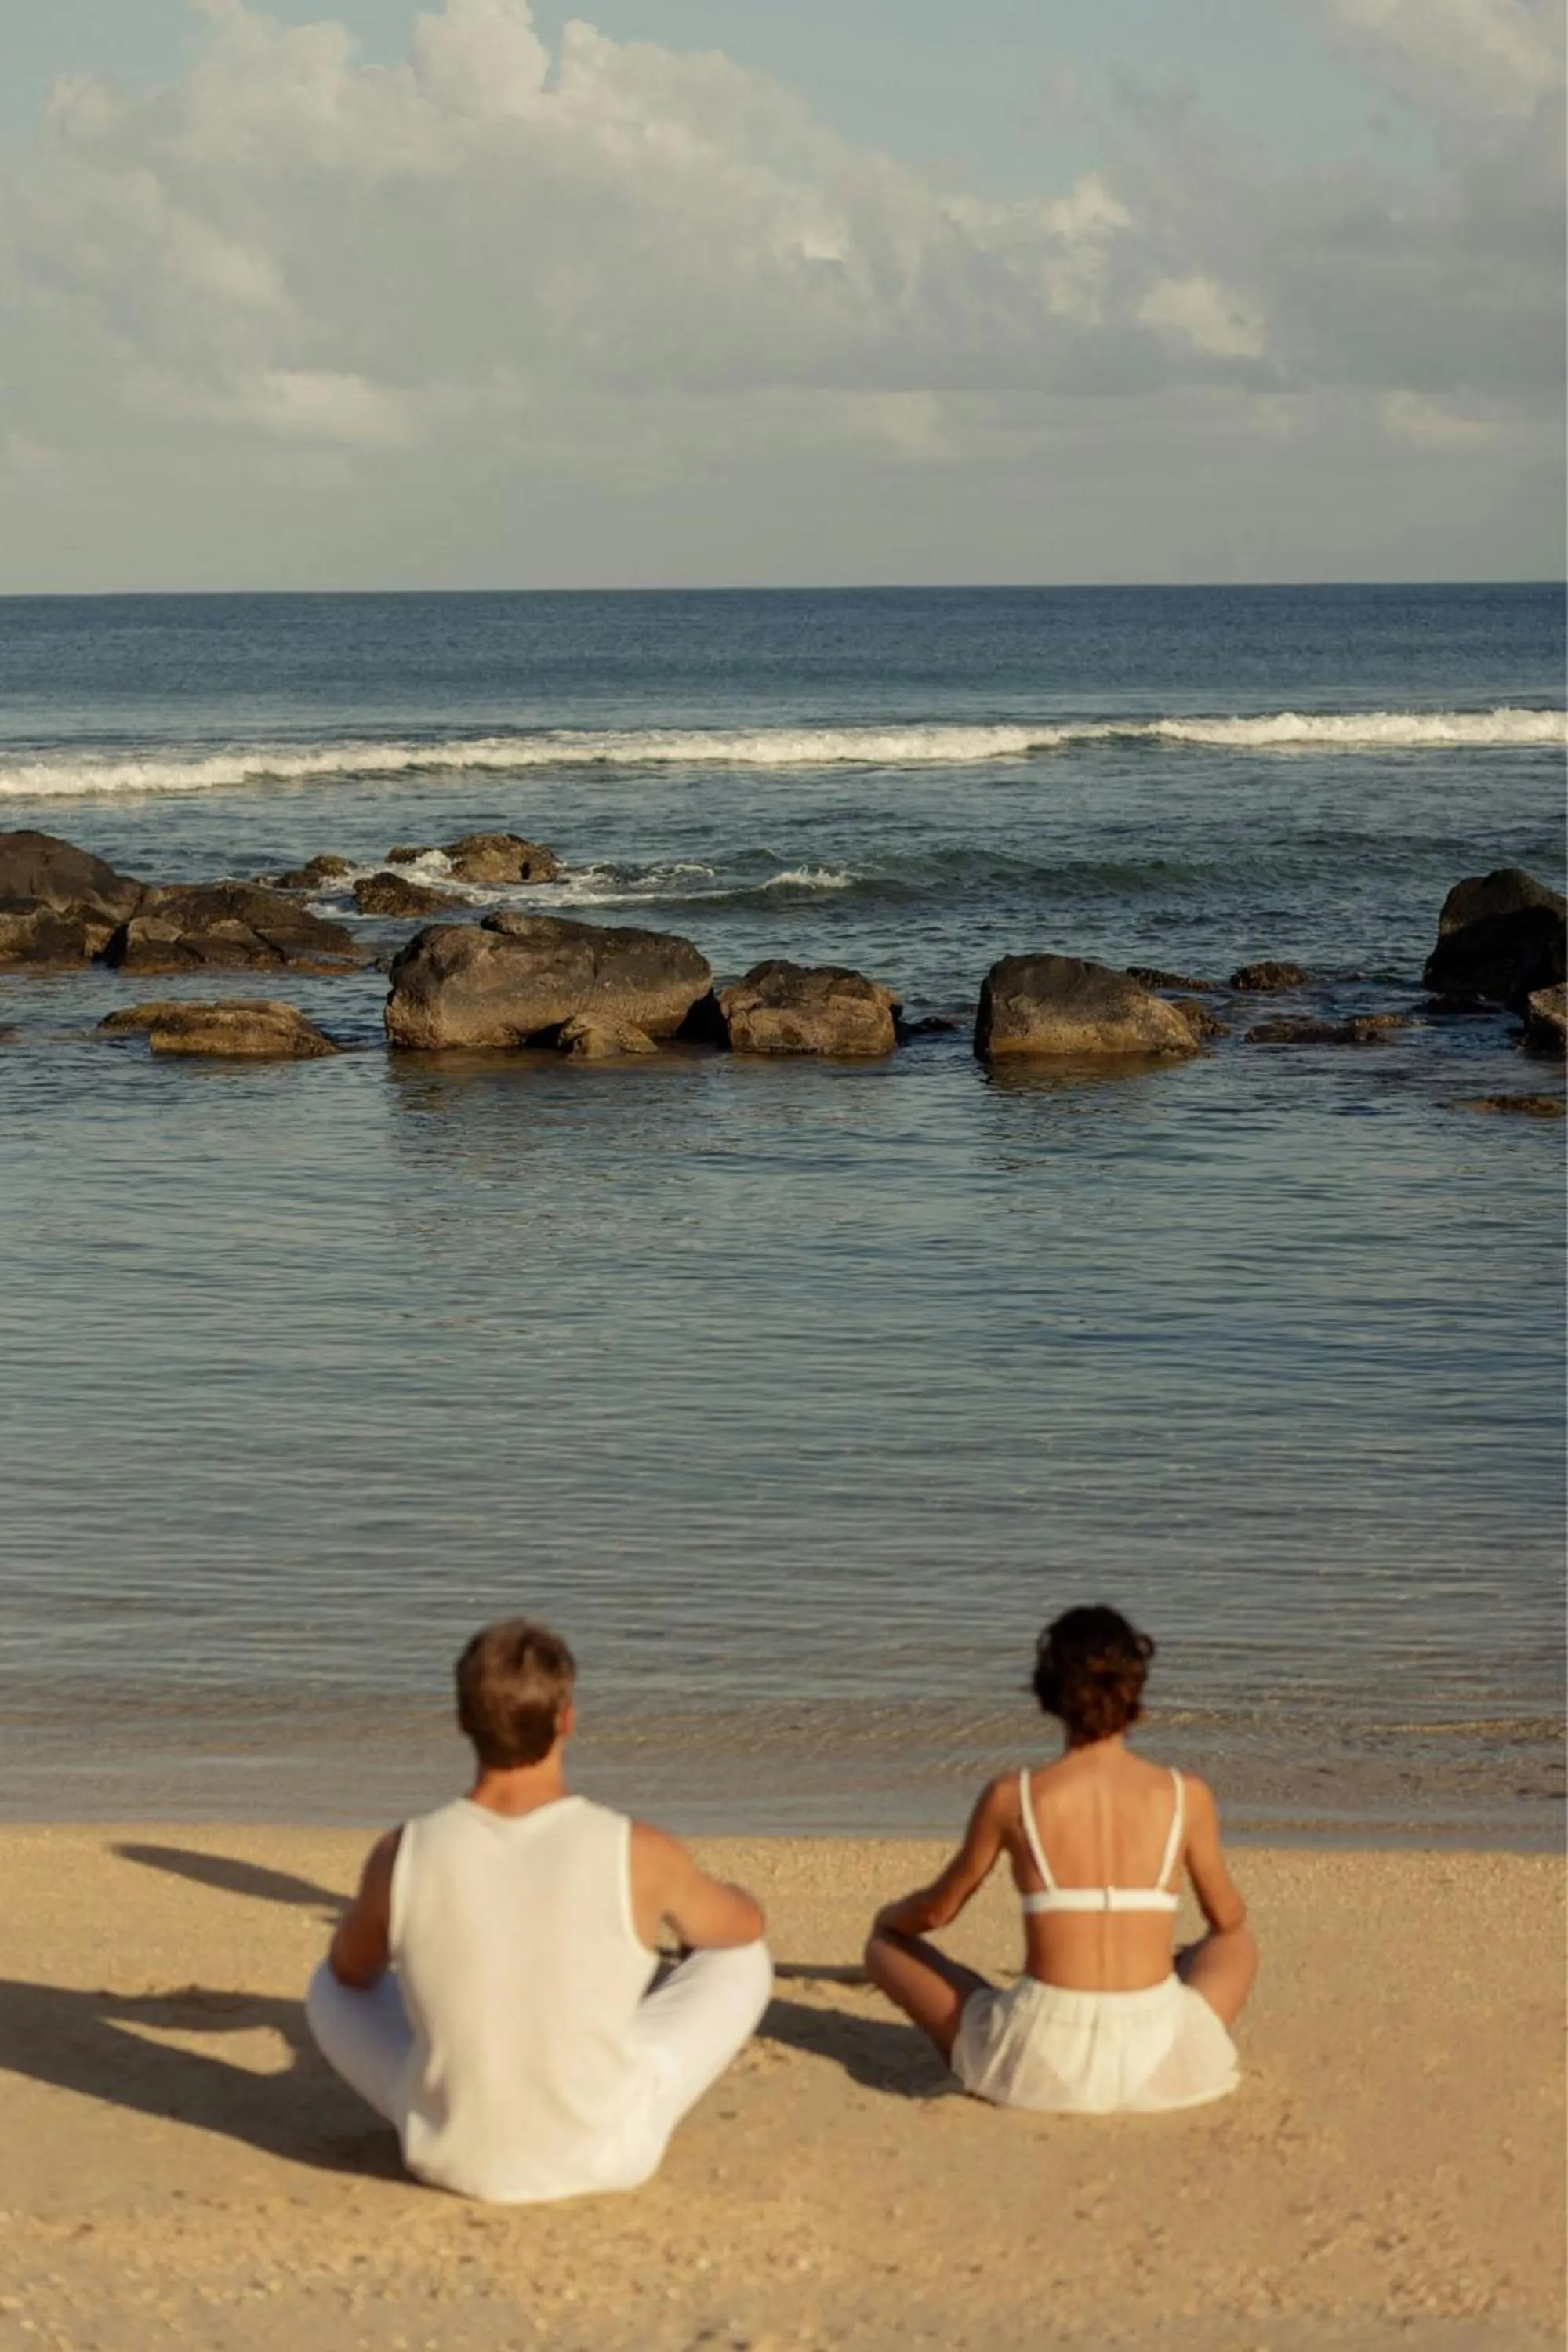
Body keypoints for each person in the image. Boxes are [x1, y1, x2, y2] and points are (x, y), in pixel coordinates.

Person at [307, 1617, 772, 2201]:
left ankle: (438, 2098)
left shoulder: (404, 1850)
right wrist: (718, 1901)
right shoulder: (637, 1850)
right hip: (606, 2154)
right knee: (743, 1957)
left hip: (450, 2156)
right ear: (567, 1720)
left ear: (460, 1723)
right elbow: (741, 1927)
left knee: (327, 1983)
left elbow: (351, 1973)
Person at [864, 1604, 1257, 2113]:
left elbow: (937, 1912)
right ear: (1134, 1692)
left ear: (1050, 1694)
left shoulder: (1016, 1796)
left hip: (1041, 2055)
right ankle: (1165, 1970)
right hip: (1157, 2053)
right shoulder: (1185, 1795)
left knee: (883, 1948)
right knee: (1236, 1941)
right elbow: (1227, 1918)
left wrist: (889, 1921)